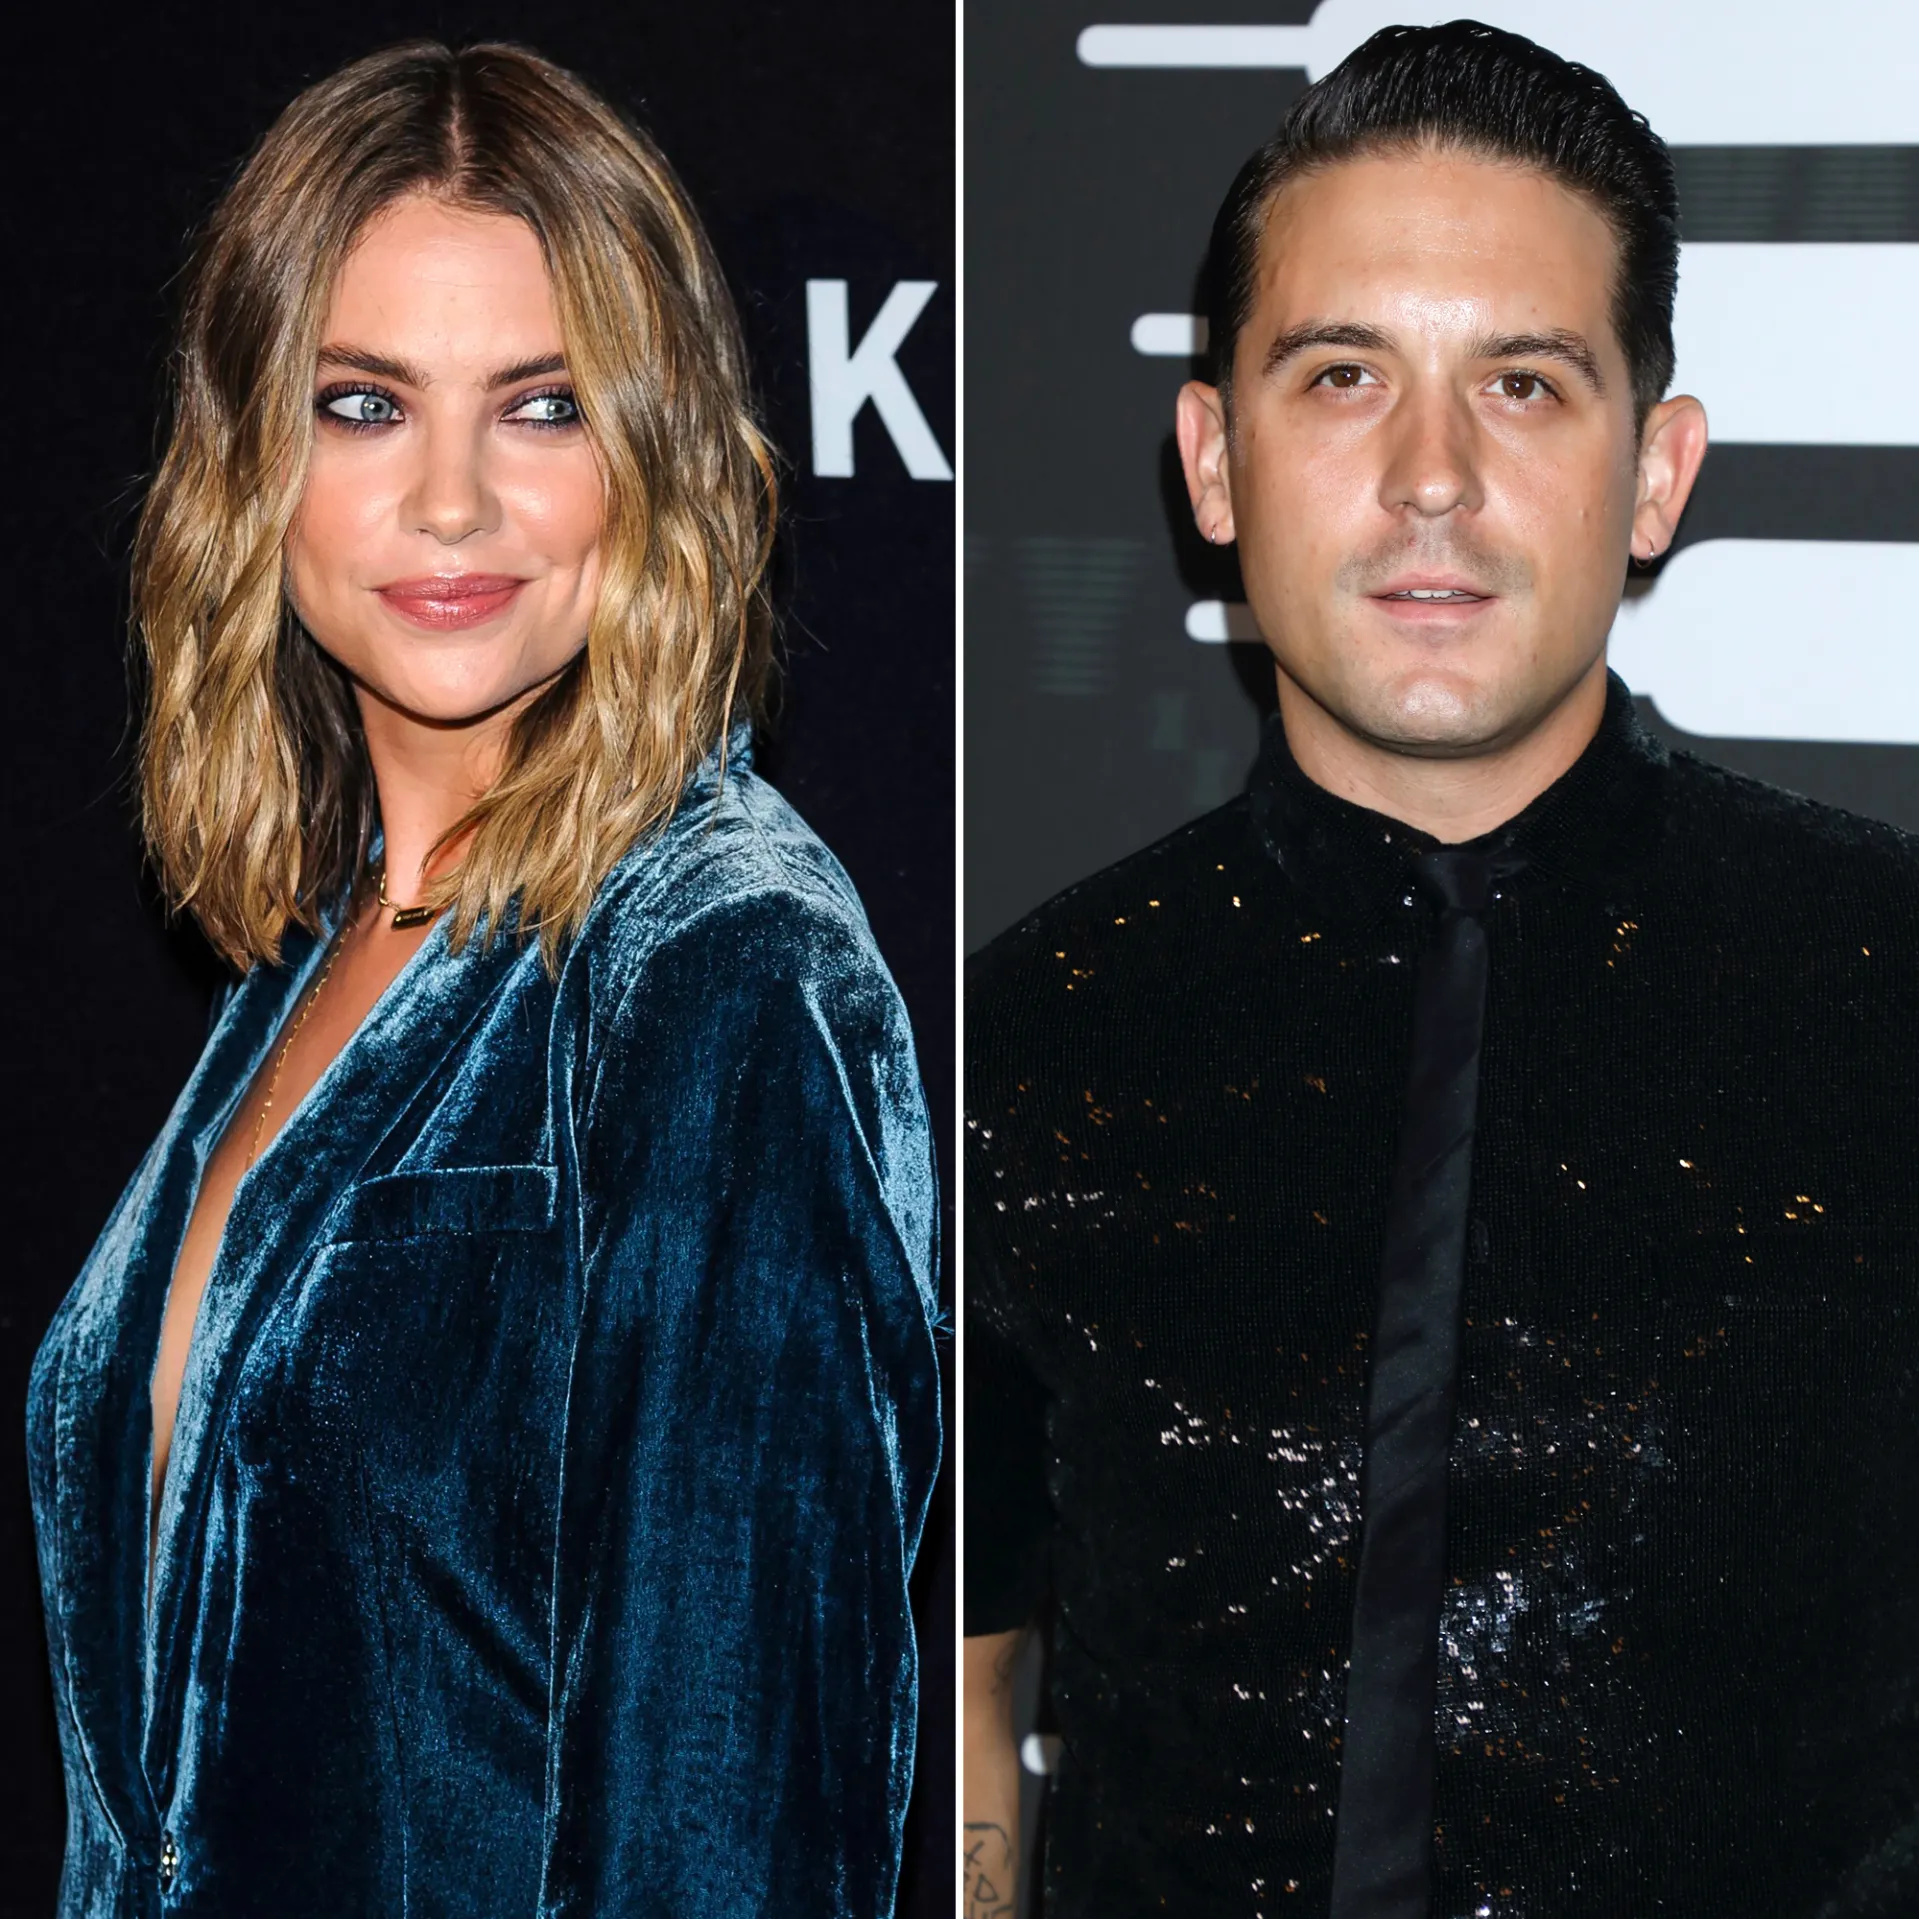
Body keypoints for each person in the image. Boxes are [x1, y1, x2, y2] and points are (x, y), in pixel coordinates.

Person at [963, 20, 1919, 1917]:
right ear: (1212, 459)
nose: (1429, 477)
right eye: (1342, 376)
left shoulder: (1885, 988)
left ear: (1653, 475)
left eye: (1523, 384)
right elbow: (965, 1706)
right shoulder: (1014, 1039)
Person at [27, 40, 939, 1918]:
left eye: (541, 407)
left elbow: (726, 1834)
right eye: (364, 404)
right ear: (252, 459)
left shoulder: (721, 968)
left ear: (655, 453)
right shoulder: (316, 948)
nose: (449, 502)